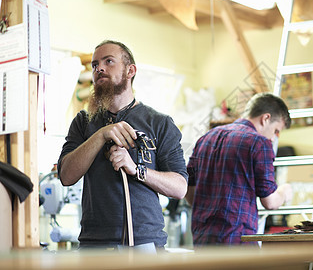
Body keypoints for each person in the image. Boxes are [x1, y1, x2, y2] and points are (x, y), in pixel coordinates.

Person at [57, 40, 187, 251]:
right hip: (94, 244)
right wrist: (101, 135)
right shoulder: (83, 121)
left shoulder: (159, 123)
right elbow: (66, 176)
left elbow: (180, 187)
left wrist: (137, 170)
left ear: (130, 70)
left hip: (144, 242)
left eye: (109, 61)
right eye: (95, 64)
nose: (99, 68)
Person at [185, 92, 293, 246]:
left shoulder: (206, 138)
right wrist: (284, 192)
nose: (273, 138)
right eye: (276, 131)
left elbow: (189, 190)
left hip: (202, 239)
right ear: (266, 118)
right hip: (237, 240)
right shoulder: (260, 143)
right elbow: (270, 202)